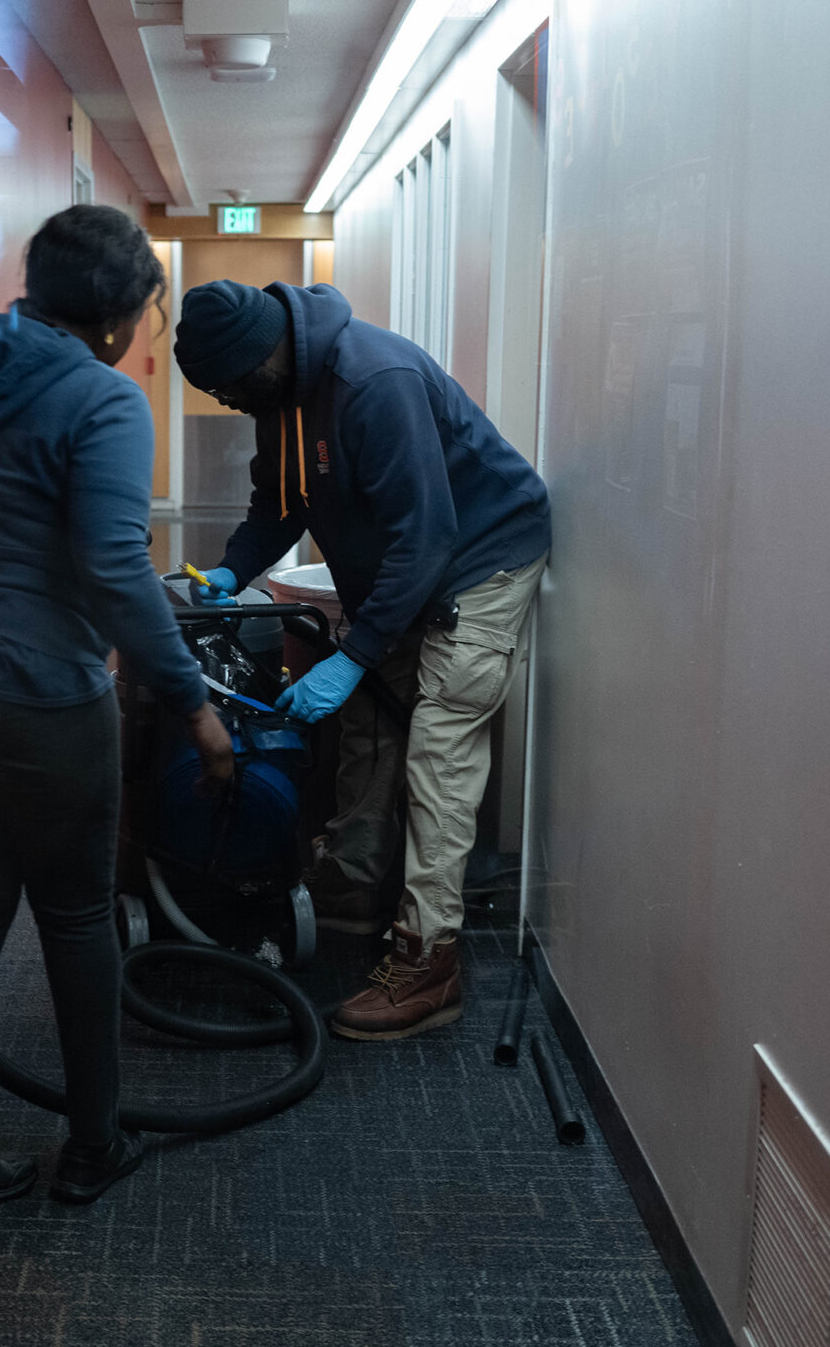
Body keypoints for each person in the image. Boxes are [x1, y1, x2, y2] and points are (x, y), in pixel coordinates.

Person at [0, 205, 234, 1218]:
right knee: (76, 915)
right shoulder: (105, 404)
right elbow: (117, 571)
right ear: (119, 318)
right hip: (45, 701)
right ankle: (93, 1144)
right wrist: (193, 707)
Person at [172, 279, 550, 1043]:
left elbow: (430, 534)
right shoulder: (280, 392)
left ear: (265, 356)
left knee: (437, 751)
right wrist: (231, 571)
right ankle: (351, 894)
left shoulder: (375, 383)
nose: (234, 404)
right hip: (403, 570)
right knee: (372, 728)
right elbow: (279, 504)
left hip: (479, 563)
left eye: (234, 388)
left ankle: (429, 961)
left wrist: (353, 654)